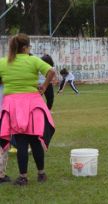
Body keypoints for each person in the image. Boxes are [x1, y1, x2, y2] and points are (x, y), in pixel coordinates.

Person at [0, 33, 56, 186]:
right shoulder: (33, 60)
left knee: (21, 142)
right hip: (33, 104)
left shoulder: (3, 62)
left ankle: (23, 177)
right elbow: (52, 71)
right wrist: (44, 86)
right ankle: (41, 174)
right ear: (25, 48)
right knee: (35, 140)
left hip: (13, 106)